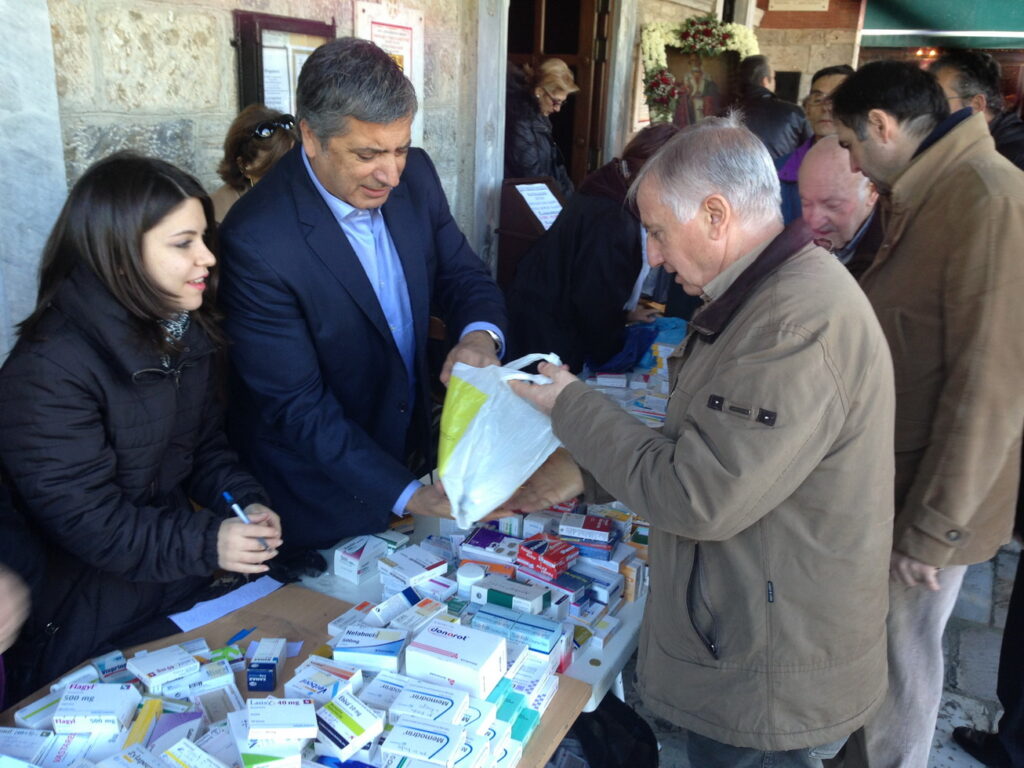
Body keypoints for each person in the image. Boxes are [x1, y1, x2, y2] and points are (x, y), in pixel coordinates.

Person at [507, 115, 896, 768]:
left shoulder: (792, 324)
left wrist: (572, 406)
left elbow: (698, 495)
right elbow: (713, 446)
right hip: (756, 633)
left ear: (716, 215)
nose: (653, 256)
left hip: (766, 668)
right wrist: (586, 471)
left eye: (658, 232)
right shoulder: (764, 296)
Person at [0, 153, 282, 698]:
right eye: (183, 243)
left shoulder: (182, 330)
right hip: (78, 623)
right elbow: (89, 522)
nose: (207, 257)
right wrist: (209, 543)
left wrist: (243, 503)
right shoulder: (48, 370)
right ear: (122, 257)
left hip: (167, 591)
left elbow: (203, 449)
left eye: (204, 238)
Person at [219, 38, 507, 552]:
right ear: (311, 138)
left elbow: (463, 274)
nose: (390, 175)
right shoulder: (258, 238)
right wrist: (407, 495)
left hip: (413, 453)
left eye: (400, 149)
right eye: (368, 154)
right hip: (318, 490)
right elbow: (298, 407)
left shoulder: (417, 175)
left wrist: (479, 338)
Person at [831, 60, 1024, 768]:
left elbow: (993, 386)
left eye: (849, 145)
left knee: (901, 660)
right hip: (894, 479)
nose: (852, 164)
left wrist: (935, 527)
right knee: (873, 653)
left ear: (882, 127)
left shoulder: (987, 197)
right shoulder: (929, 187)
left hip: (928, 497)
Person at [506, 123, 679, 373]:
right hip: (548, 333)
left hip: (543, 315)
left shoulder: (608, 187)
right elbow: (595, 301)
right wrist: (615, 353)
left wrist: (624, 316)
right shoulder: (613, 217)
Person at [778, 65, 855, 222]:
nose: (826, 107)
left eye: (838, 99)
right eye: (818, 100)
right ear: (807, 109)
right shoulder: (777, 171)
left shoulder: (873, 175)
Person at [797, 135, 880, 279]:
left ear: (873, 192)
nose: (814, 222)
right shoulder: (789, 243)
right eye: (806, 203)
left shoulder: (896, 256)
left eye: (832, 205)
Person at [930, 50, 1024, 170]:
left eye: (939, 100)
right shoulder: (971, 142)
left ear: (977, 104)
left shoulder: (1013, 157)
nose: (929, 109)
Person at [505, 58, 578, 198]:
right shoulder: (521, 120)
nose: (557, 109)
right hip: (531, 200)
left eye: (562, 103)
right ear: (539, 92)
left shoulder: (539, 115)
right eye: (555, 102)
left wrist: (570, 197)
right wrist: (564, 201)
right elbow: (531, 174)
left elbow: (556, 165)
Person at [210, 104, 297, 222]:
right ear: (244, 165)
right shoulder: (219, 219)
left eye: (293, 164)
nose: (288, 177)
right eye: (274, 169)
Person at [736, 54, 812, 164]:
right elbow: (811, 152)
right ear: (765, 81)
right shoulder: (794, 113)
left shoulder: (724, 114)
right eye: (774, 78)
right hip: (781, 174)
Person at [676, 53, 720, 126]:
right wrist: (690, 94)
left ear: (700, 61)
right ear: (690, 62)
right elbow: (684, 90)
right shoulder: (687, 76)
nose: (695, 62)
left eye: (696, 60)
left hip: (705, 101)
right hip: (691, 102)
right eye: (692, 60)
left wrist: (705, 96)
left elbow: (712, 90)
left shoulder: (707, 76)